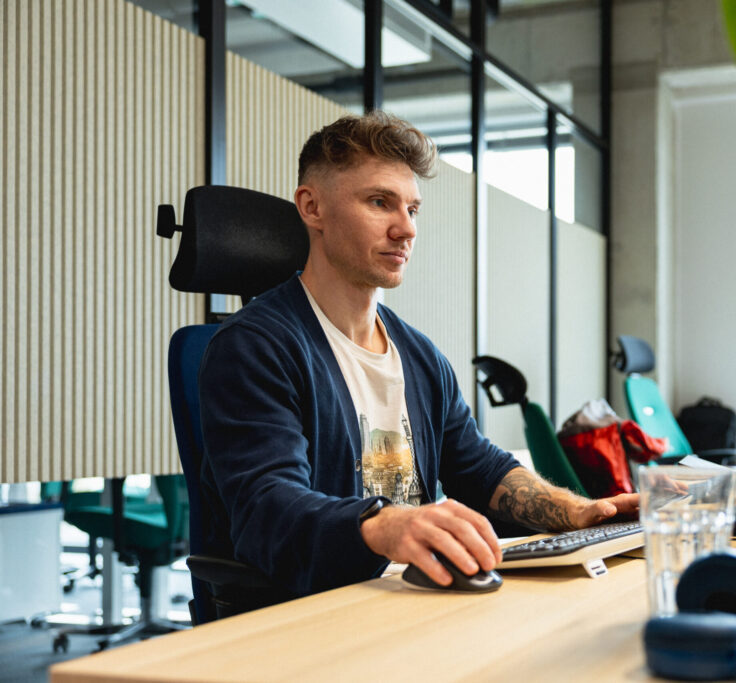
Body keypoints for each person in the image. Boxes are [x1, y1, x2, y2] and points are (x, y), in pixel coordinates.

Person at [198, 111, 638, 599]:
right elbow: (268, 510)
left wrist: (577, 511)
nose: (405, 229)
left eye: (412, 209)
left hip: (418, 599)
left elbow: (480, 468)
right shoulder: (255, 347)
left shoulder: (419, 355)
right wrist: (386, 526)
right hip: (314, 612)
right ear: (312, 207)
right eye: (380, 202)